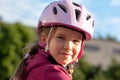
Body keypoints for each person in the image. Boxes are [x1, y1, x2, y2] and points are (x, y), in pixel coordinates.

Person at [10, 0, 94, 80]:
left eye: (75, 41)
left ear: (82, 46)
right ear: (44, 39)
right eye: (61, 37)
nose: (68, 46)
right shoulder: (54, 74)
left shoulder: (34, 63)